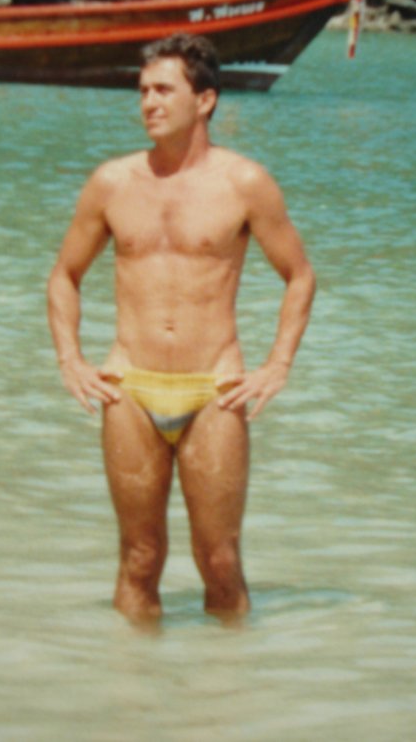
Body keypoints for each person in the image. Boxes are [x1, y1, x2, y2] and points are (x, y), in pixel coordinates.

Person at [47, 33, 315, 623]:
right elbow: (64, 275)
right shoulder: (112, 183)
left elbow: (299, 276)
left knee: (220, 561)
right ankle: (134, 679)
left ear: (206, 100)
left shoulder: (245, 183)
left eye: (164, 90)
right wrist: (70, 359)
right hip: (129, 389)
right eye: (143, 90)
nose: (149, 102)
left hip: (214, 391)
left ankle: (225, 678)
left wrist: (277, 366)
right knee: (139, 559)